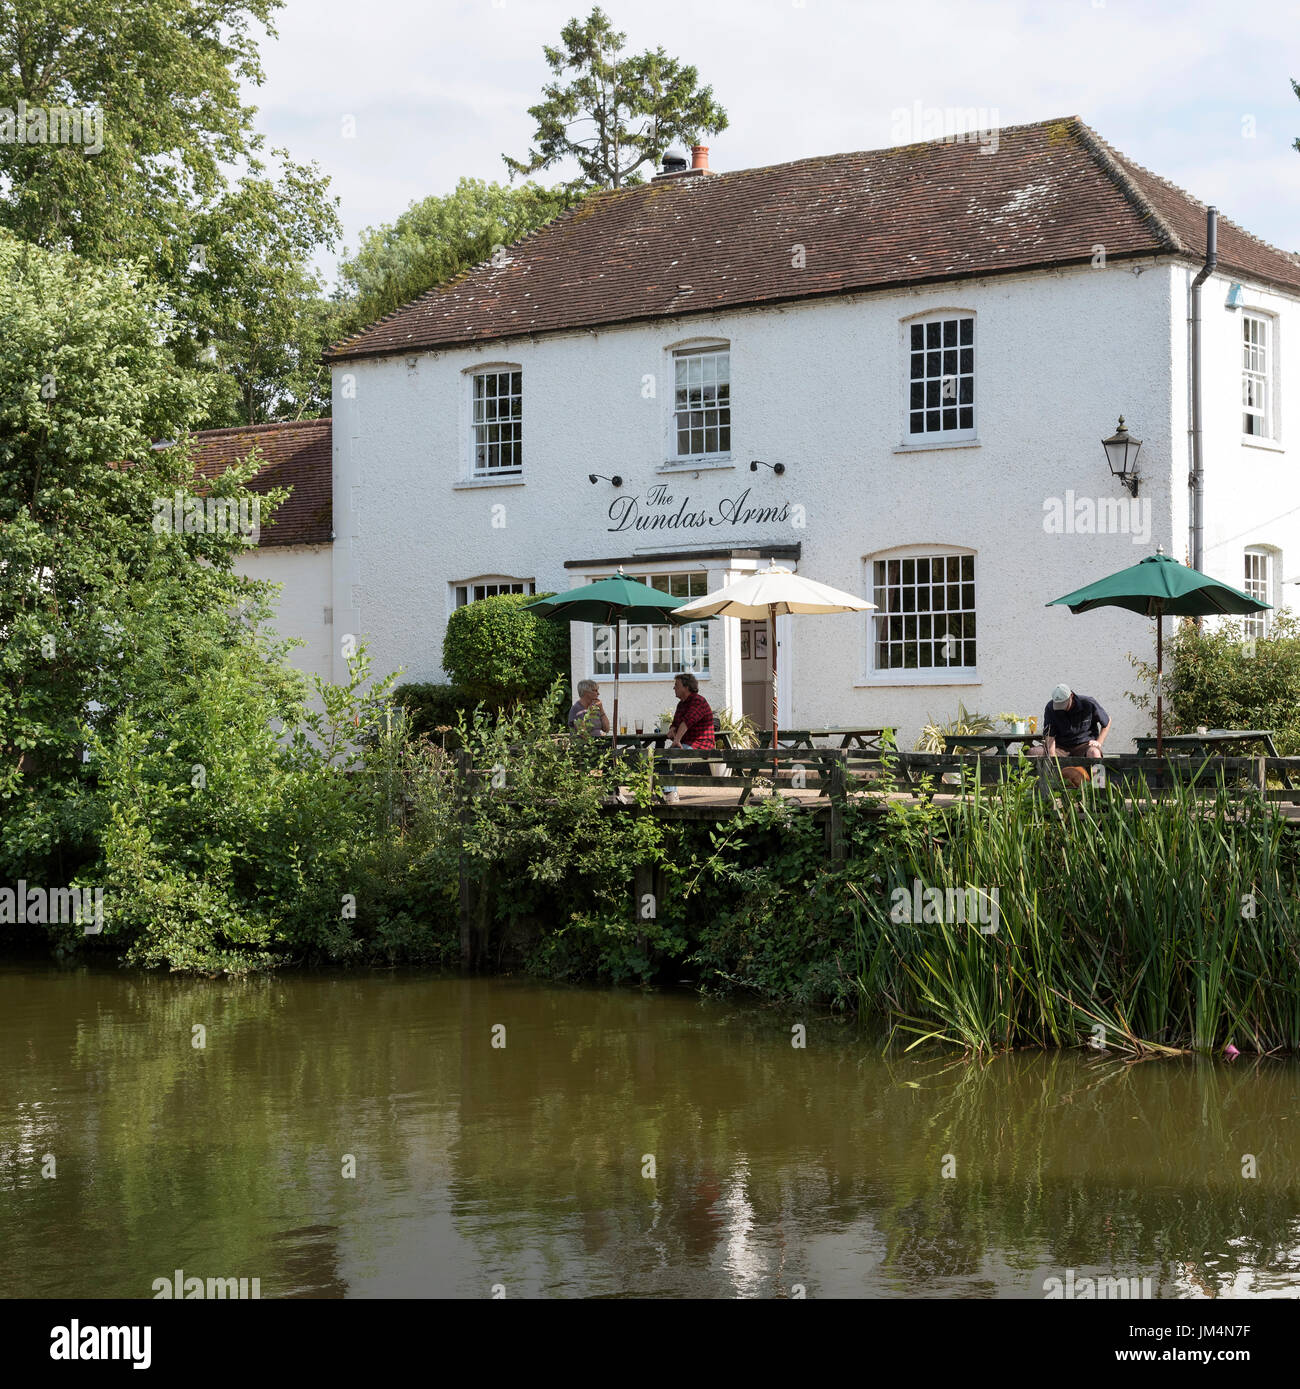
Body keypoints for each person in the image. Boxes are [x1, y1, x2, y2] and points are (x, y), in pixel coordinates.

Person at [661, 672, 714, 803]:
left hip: (701, 744)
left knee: (668, 756)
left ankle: (670, 794)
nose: (674, 688)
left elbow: (686, 722)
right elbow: (676, 723)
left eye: (676, 685)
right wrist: (672, 730)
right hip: (686, 743)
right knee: (661, 757)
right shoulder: (681, 704)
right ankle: (670, 793)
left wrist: (677, 740)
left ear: (686, 687)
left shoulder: (698, 701)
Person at [1026, 683, 1110, 764]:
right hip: (1060, 747)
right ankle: (1042, 778)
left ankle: (1098, 779)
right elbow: (1049, 736)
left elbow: (1107, 722)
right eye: (1058, 704)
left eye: (1063, 704)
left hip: (1084, 745)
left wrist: (1099, 742)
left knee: (1094, 753)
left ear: (1071, 696)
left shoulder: (1088, 703)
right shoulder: (1050, 707)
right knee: (1033, 752)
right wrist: (1052, 759)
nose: (1061, 708)